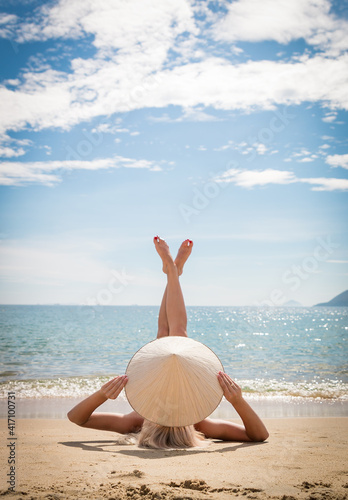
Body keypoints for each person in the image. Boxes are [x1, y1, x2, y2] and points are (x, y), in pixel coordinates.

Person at [67, 237, 269, 448]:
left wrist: (102, 395)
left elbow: (76, 417)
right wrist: (237, 401)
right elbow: (259, 435)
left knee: (166, 334)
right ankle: (173, 272)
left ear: (147, 427)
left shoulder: (136, 420)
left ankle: (173, 272)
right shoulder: (200, 422)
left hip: (161, 372)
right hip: (185, 371)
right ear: (190, 428)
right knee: (174, 336)